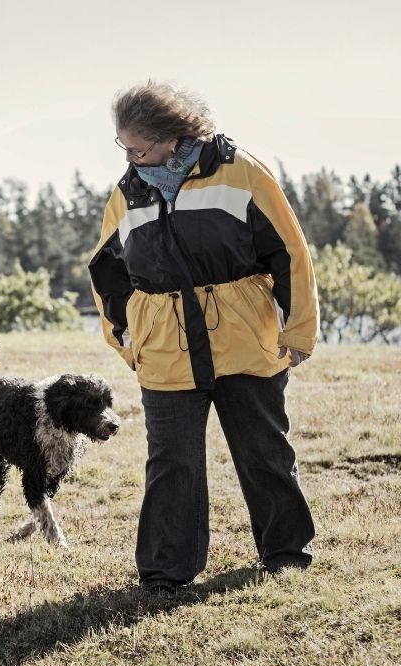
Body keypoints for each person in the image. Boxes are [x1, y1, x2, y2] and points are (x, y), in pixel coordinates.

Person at [87, 81, 320, 596]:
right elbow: (108, 271)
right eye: (122, 146)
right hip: (165, 349)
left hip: (244, 340)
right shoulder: (128, 191)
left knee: (263, 450)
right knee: (171, 461)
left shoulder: (242, 172)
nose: (129, 157)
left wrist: (299, 327)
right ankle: (165, 573)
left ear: (174, 136)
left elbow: (290, 252)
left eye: (138, 147)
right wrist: (127, 338)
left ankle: (286, 552)